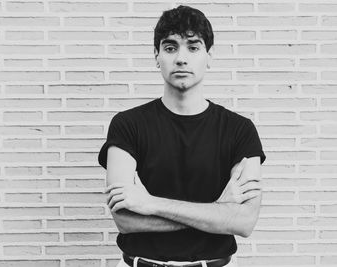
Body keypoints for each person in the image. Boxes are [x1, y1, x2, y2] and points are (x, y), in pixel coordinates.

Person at [98, 5, 266, 267]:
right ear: (156, 56)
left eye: (193, 47)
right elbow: (126, 220)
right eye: (170, 47)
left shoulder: (239, 130)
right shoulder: (127, 125)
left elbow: (244, 222)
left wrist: (150, 204)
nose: (181, 58)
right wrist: (217, 211)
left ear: (209, 56)